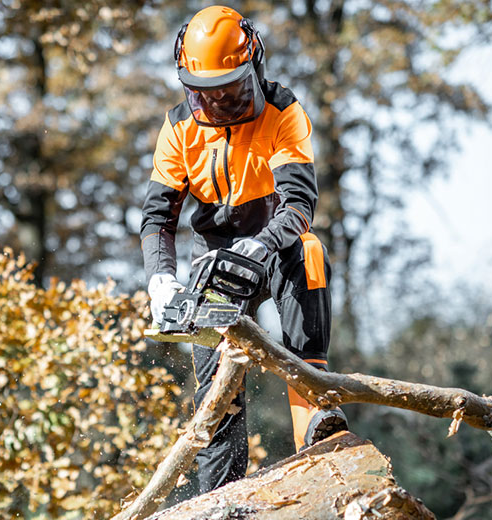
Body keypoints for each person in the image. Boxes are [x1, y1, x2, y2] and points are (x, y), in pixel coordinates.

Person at [140, 5, 348, 494]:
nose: (217, 104)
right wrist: (160, 277)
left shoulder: (282, 112)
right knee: (218, 391)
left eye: (230, 91)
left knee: (309, 254)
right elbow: (157, 218)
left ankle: (315, 413)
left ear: (252, 66)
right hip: (212, 257)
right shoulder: (177, 128)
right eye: (204, 93)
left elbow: (298, 206)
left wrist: (261, 243)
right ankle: (222, 495)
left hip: (274, 243)